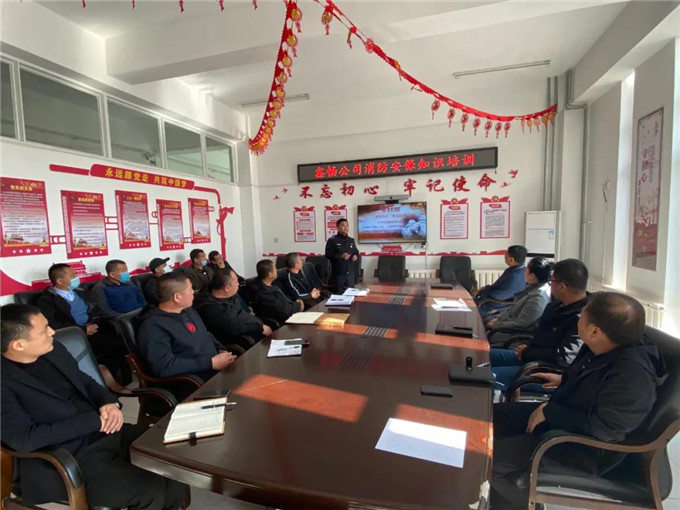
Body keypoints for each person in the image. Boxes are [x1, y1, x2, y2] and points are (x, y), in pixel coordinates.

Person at [1, 303, 187, 509]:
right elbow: (23, 439)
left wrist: (109, 402)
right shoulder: (4, 381)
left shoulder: (54, 350)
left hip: (107, 432)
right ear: (18, 345)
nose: (52, 331)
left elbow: (87, 382)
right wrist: (94, 422)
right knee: (149, 490)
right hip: (68, 455)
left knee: (172, 461)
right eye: (44, 330)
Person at [491, 292, 667, 509]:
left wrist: (550, 412)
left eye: (582, 316)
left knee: (489, 459)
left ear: (595, 331)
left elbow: (605, 429)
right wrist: (564, 379)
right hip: (565, 417)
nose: (578, 319)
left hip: (583, 447)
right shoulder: (603, 345)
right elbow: (595, 380)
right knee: (491, 416)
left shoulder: (633, 375)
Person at [489, 258, 589, 391]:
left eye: (551, 281)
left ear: (562, 286)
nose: (549, 285)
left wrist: (529, 352)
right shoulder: (556, 305)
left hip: (542, 370)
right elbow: (541, 335)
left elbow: (564, 357)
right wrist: (527, 349)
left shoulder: (583, 317)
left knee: (484, 377)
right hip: (529, 356)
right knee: (481, 355)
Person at [137, 272, 237, 382]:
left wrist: (220, 349)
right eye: (190, 289)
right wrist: (211, 363)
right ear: (177, 297)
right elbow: (164, 366)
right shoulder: (153, 326)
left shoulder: (189, 311)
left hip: (215, 369)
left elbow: (205, 334)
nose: (193, 292)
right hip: (193, 381)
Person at [35, 263, 128, 380]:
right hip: (74, 335)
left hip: (95, 328)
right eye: (73, 276)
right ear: (60, 281)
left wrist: (95, 324)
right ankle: (104, 381)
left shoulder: (81, 292)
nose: (76, 278)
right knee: (106, 348)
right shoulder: (47, 300)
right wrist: (83, 330)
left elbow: (97, 310)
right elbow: (52, 324)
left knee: (119, 342)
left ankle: (117, 380)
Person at [195, 270, 272, 349]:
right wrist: (260, 327)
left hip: (249, 329)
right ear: (227, 288)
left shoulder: (231, 295)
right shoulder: (209, 307)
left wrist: (259, 324)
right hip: (233, 342)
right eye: (236, 282)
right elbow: (233, 326)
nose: (238, 284)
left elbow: (243, 314)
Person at [485, 257, 552, 338]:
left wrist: (495, 325)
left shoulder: (538, 298)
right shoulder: (531, 286)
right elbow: (512, 308)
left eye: (526, 269)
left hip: (515, 335)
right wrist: (498, 318)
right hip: (507, 323)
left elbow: (521, 324)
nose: (524, 271)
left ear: (532, 276)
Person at [474, 245, 527, 318]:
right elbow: (498, 286)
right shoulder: (520, 270)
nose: (504, 256)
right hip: (494, 298)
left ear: (511, 260)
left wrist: (482, 292)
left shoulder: (514, 278)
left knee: (469, 308)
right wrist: (486, 288)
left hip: (496, 304)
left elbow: (498, 296)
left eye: (506, 255)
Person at [251, 259, 304, 325]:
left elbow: (286, 299)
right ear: (270, 275)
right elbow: (285, 311)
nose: (277, 270)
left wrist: (296, 302)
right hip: (283, 322)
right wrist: (298, 305)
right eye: (275, 269)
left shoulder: (273, 284)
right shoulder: (264, 294)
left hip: (291, 312)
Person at [325, 218, 360, 292]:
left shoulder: (351, 240)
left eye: (347, 225)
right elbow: (328, 255)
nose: (346, 227)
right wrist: (340, 256)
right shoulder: (332, 240)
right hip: (338, 275)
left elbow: (356, 252)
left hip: (350, 275)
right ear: (337, 227)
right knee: (338, 295)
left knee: (351, 295)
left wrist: (355, 256)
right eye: (343, 225)